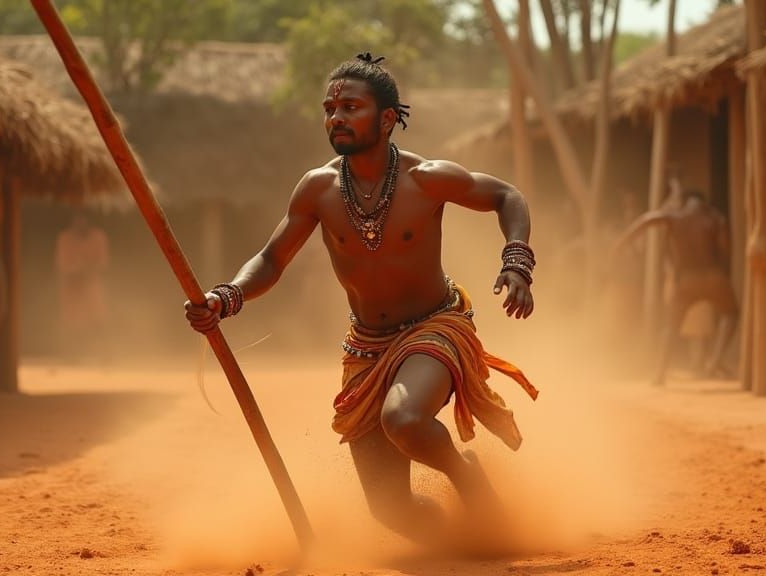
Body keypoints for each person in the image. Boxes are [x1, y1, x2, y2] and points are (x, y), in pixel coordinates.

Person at [184, 53, 538, 546]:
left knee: (404, 419)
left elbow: (506, 196)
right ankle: (460, 542)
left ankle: (466, 479)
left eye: (351, 106)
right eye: (330, 108)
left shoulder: (426, 177)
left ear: (388, 119)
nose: (336, 117)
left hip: (434, 328)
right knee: (392, 513)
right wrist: (226, 297)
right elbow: (271, 259)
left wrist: (517, 260)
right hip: (366, 349)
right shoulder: (319, 189)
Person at [613, 191, 737, 386]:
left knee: (671, 326)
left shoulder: (675, 217)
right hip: (713, 277)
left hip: (686, 280)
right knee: (731, 314)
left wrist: (622, 241)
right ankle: (714, 361)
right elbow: (725, 251)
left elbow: (648, 219)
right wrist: (723, 276)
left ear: (686, 203)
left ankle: (659, 374)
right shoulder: (715, 218)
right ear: (703, 203)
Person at [55, 208, 110, 359]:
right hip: (72, 287)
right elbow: (62, 265)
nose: (80, 223)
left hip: (91, 285)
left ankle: (102, 353)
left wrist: (86, 272)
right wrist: (75, 274)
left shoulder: (98, 237)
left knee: (97, 321)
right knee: (72, 323)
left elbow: (102, 263)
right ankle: (72, 354)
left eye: (83, 219)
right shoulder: (65, 238)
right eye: (77, 219)